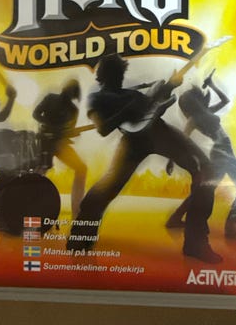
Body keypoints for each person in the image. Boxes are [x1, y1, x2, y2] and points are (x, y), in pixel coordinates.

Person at [66, 54, 222, 263]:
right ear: (102, 76)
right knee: (106, 187)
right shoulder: (98, 99)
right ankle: (80, 237)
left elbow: (153, 104)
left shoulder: (133, 93)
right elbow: (103, 129)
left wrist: (170, 86)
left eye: (120, 73)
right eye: (114, 73)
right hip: (133, 142)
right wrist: (127, 111)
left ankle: (196, 243)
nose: (119, 77)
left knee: (205, 170)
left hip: (159, 131)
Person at [166, 72, 236, 240]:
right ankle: (230, 227)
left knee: (205, 190)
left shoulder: (206, 111)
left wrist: (212, 85)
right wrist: (171, 160)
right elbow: (182, 139)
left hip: (225, 152)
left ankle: (175, 217)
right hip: (221, 154)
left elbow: (225, 100)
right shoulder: (194, 119)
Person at [33, 79, 87, 218]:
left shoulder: (73, 110)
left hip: (60, 143)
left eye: (71, 91)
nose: (68, 92)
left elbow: (69, 131)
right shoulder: (50, 98)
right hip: (45, 141)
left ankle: (77, 212)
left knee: (81, 169)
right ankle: (30, 207)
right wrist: (49, 127)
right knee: (41, 172)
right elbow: (36, 114)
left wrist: (72, 133)